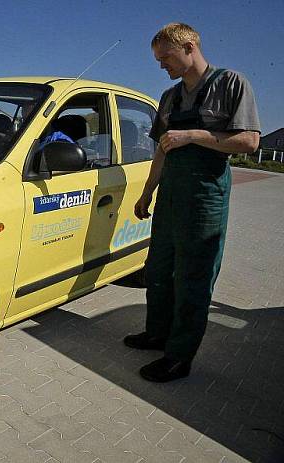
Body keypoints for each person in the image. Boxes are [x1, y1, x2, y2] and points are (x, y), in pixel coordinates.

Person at [125, 23, 260, 382]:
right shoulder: (169, 98)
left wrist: (196, 134)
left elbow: (249, 142)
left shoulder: (231, 83)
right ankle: (157, 334)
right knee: (159, 270)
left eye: (165, 57)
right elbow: (162, 151)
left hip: (205, 198)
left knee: (193, 278)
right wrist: (148, 191)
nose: (161, 65)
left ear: (189, 47)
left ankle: (179, 356)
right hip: (171, 196)